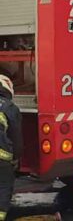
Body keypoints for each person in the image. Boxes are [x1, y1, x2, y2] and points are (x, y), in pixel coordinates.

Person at [0, 75, 22, 221]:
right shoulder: (10, 107)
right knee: (3, 188)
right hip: (2, 160)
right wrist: (17, 157)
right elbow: (16, 137)